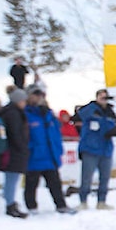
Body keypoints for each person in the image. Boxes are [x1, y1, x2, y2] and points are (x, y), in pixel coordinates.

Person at [23, 85, 75, 215]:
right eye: (35, 94)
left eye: (41, 95)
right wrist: (30, 149)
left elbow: (55, 134)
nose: (39, 97)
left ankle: (61, 205)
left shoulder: (49, 114)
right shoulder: (26, 114)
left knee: (55, 183)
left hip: (50, 155)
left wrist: (57, 150)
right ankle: (31, 207)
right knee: (31, 184)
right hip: (34, 156)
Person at [76, 88, 116, 210]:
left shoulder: (110, 112)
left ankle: (101, 201)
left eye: (105, 97)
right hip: (90, 148)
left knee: (104, 178)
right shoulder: (91, 109)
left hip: (105, 149)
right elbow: (81, 114)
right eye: (101, 97)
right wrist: (94, 104)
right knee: (87, 177)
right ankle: (83, 201)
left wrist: (115, 130)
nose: (104, 100)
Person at [0, 88, 30, 218]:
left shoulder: (10, 112)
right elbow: (16, 133)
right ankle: (10, 204)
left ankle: (10, 201)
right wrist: (22, 147)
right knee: (12, 177)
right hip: (14, 152)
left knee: (11, 178)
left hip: (11, 150)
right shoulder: (13, 114)